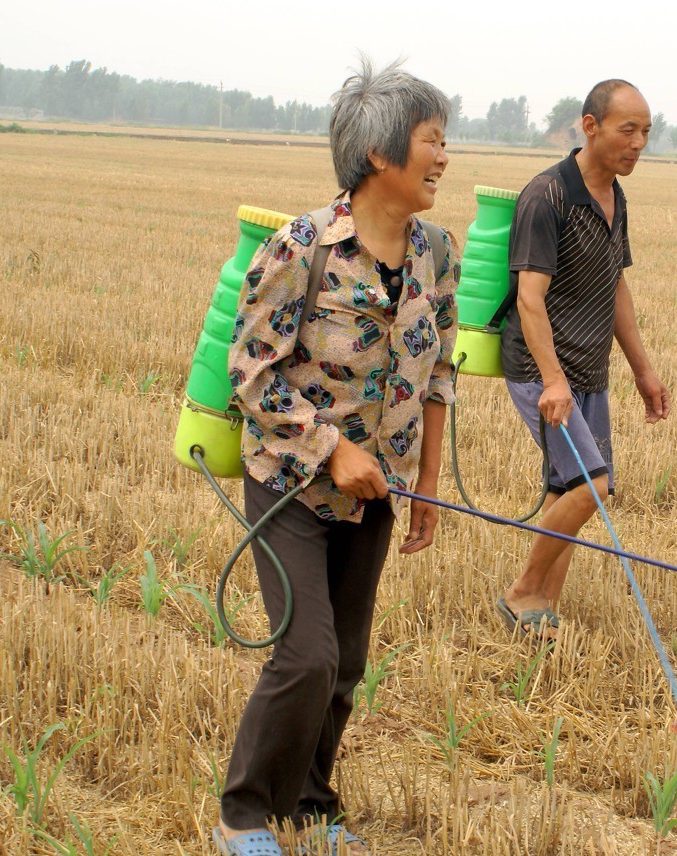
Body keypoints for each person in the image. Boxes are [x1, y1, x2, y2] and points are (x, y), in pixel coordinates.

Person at [215, 59, 456, 856]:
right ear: (381, 155)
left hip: (377, 493)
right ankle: (244, 813)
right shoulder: (303, 245)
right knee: (308, 653)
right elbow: (248, 373)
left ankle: (312, 805)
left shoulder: (436, 252)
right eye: (432, 139)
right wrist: (330, 449)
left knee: (346, 661)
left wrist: (425, 486)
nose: (444, 156)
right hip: (289, 485)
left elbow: (439, 372)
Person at [496, 79, 670, 641]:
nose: (639, 142)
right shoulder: (547, 195)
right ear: (590, 126)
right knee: (592, 484)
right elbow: (529, 298)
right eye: (628, 130)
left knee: (564, 487)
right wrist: (552, 380)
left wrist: (643, 369)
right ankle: (523, 590)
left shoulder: (616, 197)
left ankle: (543, 606)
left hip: (589, 370)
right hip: (541, 368)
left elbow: (614, 285)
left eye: (646, 131)